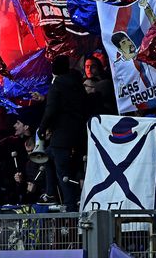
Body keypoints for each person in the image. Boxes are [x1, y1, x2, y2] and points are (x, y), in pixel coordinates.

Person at [37, 55, 88, 210]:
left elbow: (51, 109)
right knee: (50, 158)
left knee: (62, 172)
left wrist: (42, 128)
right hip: (79, 135)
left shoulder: (57, 85)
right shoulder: (78, 85)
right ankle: (57, 194)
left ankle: (68, 204)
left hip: (61, 137)